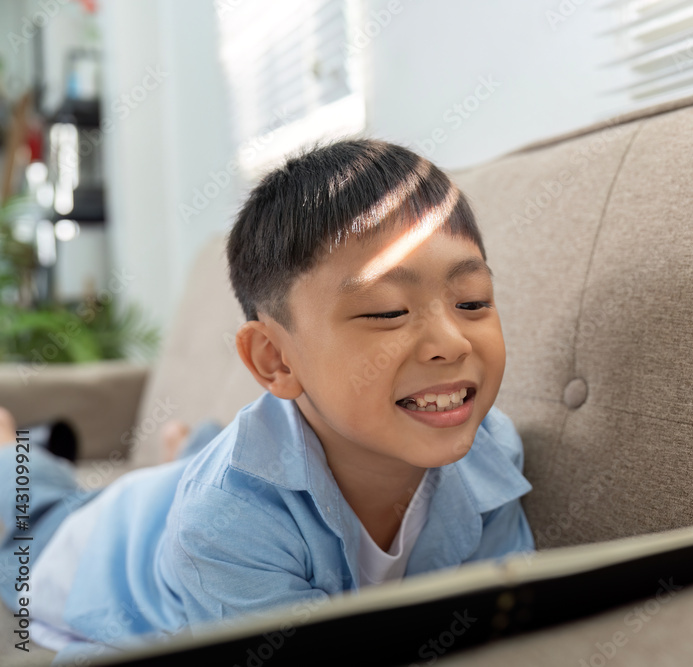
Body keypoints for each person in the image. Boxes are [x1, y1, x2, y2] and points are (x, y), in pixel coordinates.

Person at [0, 139, 534, 663]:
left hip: (203, 490)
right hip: (91, 542)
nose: (452, 342)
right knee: (34, 507)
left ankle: (187, 454)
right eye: (388, 311)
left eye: (472, 301)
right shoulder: (224, 525)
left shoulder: (490, 452)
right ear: (276, 360)